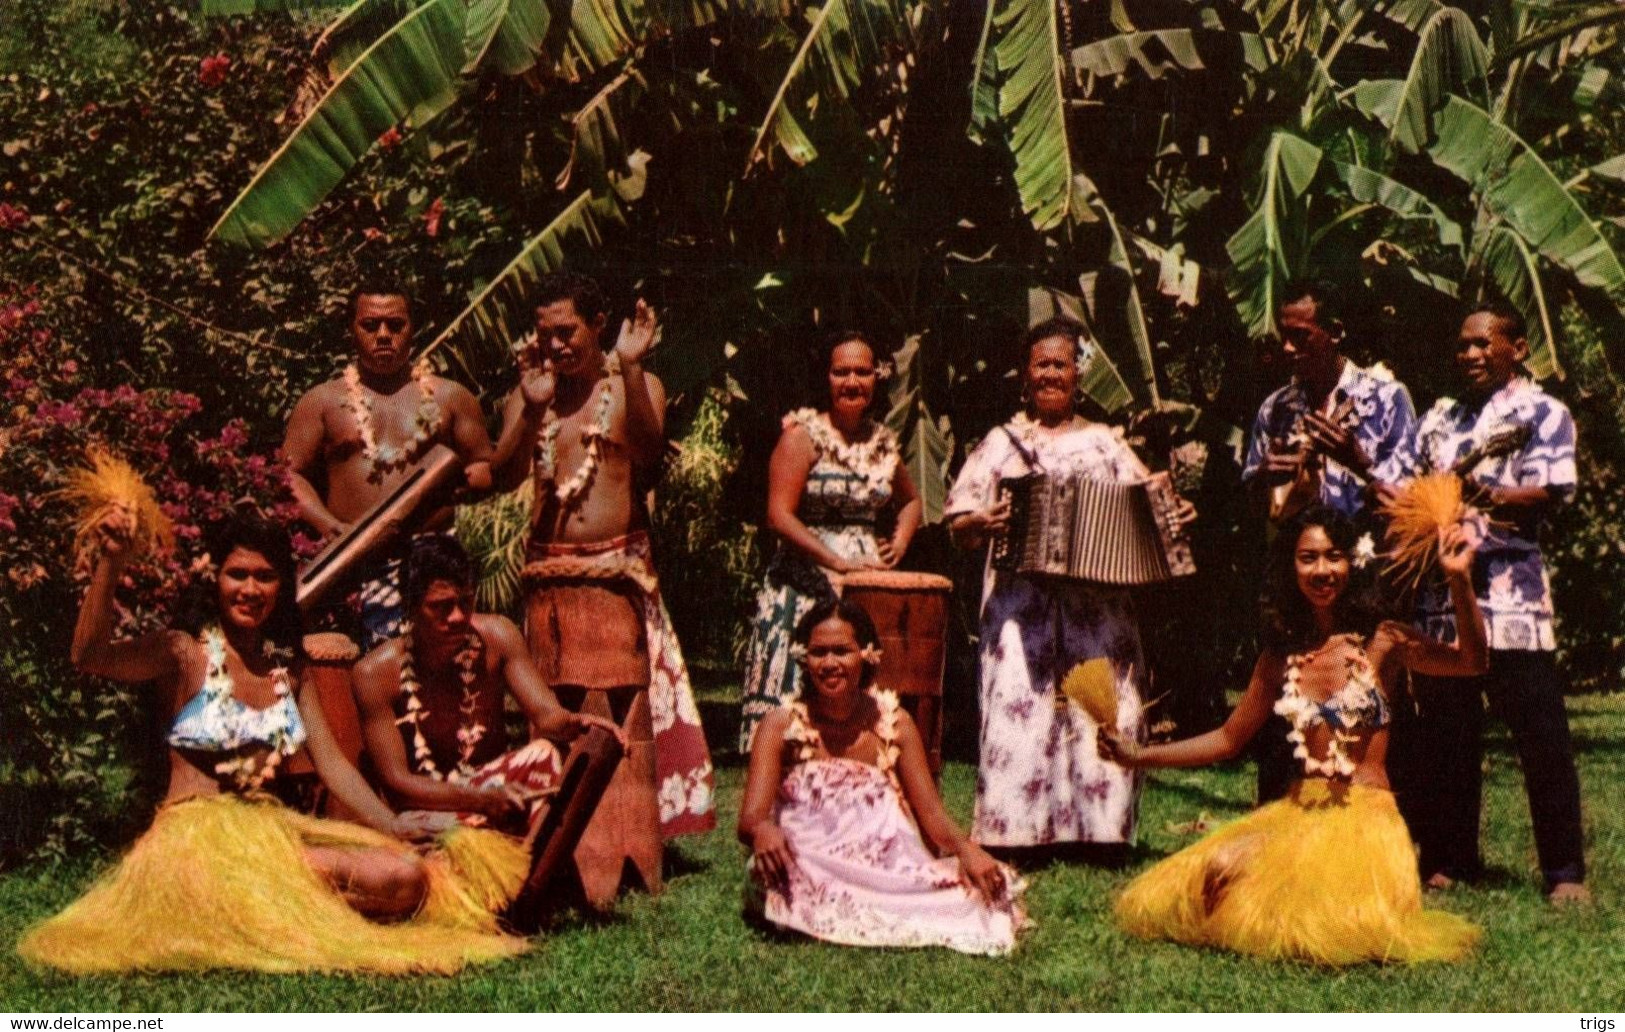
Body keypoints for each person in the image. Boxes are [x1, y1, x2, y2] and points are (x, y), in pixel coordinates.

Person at [18, 514, 529, 975]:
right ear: (215, 579)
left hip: (269, 834)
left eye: (265, 576)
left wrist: (389, 824)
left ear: (282, 585)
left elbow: (333, 764)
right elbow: (91, 656)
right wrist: (110, 563)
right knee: (322, 884)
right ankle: (228, 909)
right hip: (195, 843)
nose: (250, 589)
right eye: (237, 574)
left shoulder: (289, 666)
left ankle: (256, 910)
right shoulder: (184, 653)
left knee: (404, 876)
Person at [1097, 506, 1486, 966]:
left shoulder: (1384, 641)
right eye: (1308, 558)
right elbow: (1227, 739)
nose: (1322, 571)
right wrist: (1137, 756)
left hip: (1366, 823)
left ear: (1352, 563)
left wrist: (1460, 580)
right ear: (1291, 567)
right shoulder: (1282, 655)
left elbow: (1472, 662)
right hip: (1298, 813)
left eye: (1334, 556)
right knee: (1210, 879)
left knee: (1321, 928)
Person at [491, 272, 713, 903]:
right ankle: (553, 853)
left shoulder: (634, 387)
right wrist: (531, 407)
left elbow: (646, 457)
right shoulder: (533, 396)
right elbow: (502, 472)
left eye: (568, 332)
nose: (557, 347)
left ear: (596, 325)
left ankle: (625, 856)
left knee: (618, 710)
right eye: (545, 335)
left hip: (613, 573)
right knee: (552, 711)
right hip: (548, 577)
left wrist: (636, 366)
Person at [945, 316, 1186, 853]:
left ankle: (1098, 832)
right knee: (1019, 704)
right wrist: (980, 524)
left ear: (1078, 374)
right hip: (1019, 609)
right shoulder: (1000, 444)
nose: (1052, 373)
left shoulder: (1106, 444)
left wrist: (1176, 517)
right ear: (1025, 376)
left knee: (1104, 709)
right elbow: (957, 521)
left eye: (1062, 363)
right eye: (1042, 364)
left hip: (1096, 611)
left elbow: (1151, 510)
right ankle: (1012, 830)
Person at [1388, 301, 1589, 905]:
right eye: (1462, 346)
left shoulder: (1543, 413)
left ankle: (1564, 873)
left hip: (1510, 595)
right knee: (1446, 731)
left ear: (1519, 349)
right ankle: (1451, 856)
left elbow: (1549, 491)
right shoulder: (1441, 417)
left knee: (1540, 733)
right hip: (1441, 594)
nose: (1469, 354)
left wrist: (1482, 490)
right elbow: (1406, 488)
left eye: (1483, 343)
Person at [739, 598, 1027, 954]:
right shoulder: (780, 724)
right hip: (810, 858)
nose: (829, 664)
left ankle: (868, 906)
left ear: (867, 655)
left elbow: (932, 816)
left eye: (842, 651)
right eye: (819, 653)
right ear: (804, 658)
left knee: (967, 890)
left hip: (885, 865)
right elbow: (749, 817)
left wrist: (967, 849)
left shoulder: (894, 724)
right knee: (772, 877)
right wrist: (763, 829)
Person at [1240, 281, 1419, 805]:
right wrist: (1264, 479)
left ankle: (1375, 821)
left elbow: (1408, 500)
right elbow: (1254, 498)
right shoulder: (1277, 407)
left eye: (1301, 335)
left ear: (1335, 333)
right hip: (1296, 577)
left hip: (1364, 577)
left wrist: (1357, 460)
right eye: (1284, 336)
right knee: (1288, 702)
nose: (1289, 347)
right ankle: (1279, 816)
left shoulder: (1386, 399)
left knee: (1370, 706)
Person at [351, 536, 624, 834]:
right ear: (411, 606)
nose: (457, 617)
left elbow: (547, 716)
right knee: (422, 828)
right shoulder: (374, 673)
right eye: (440, 607)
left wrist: (577, 722)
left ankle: (520, 853)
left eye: (465, 602)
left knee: (545, 753)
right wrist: (478, 800)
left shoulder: (498, 637)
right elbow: (397, 782)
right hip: (425, 808)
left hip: (494, 791)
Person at [282, 280, 494, 648]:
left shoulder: (450, 397)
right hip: (351, 566)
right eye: (370, 326)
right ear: (352, 329)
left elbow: (485, 467)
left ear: (413, 328)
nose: (383, 336)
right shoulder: (322, 402)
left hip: (432, 566)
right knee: (360, 677)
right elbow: (288, 473)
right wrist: (329, 526)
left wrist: (458, 487)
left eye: (395, 325)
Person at [737, 331, 922, 751]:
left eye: (862, 372)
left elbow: (912, 503)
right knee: (796, 725)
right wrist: (834, 563)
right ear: (828, 377)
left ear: (877, 377)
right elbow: (778, 515)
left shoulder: (883, 443)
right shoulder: (802, 436)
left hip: (866, 587)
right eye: (842, 372)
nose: (852, 382)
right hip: (805, 582)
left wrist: (899, 543)